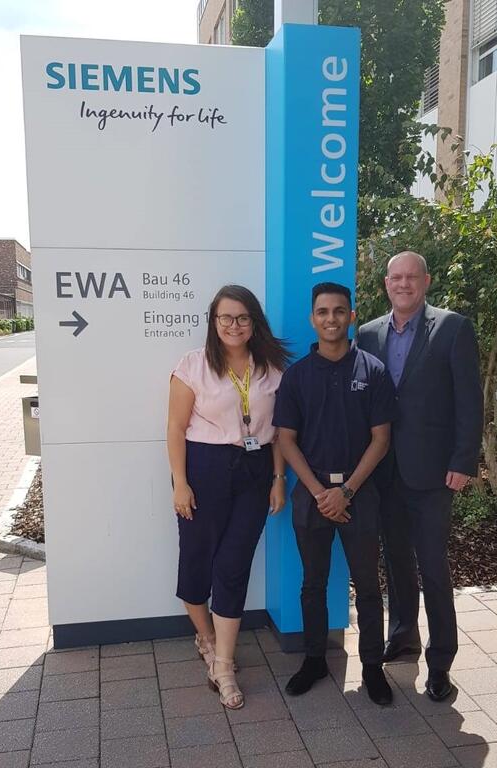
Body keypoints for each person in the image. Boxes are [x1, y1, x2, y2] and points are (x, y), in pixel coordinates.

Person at [356, 250, 483, 701]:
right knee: (396, 562)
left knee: (433, 567)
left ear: (425, 282)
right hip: (384, 473)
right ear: (386, 284)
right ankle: (404, 636)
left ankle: (440, 662)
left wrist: (463, 461)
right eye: (396, 277)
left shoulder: (452, 328)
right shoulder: (368, 334)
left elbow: (469, 401)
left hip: (433, 474)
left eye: (412, 277)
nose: (404, 284)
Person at [273, 282, 397, 705]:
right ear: (313, 318)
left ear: (351, 315)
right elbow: (286, 440)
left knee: (366, 586)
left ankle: (373, 669)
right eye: (323, 312)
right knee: (313, 584)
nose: (331, 319)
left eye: (339, 311)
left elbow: (381, 439)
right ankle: (313, 660)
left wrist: (345, 491)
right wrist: (321, 492)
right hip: (312, 494)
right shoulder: (297, 376)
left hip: (359, 493)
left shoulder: (373, 371)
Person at [167, 284, 289, 710]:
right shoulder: (192, 365)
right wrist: (180, 482)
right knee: (198, 561)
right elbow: (175, 429)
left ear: (253, 322)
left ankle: (223, 665)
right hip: (204, 470)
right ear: (213, 322)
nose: (234, 325)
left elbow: (279, 432)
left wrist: (278, 478)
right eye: (226, 318)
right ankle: (206, 635)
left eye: (242, 317)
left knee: (234, 565)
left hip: (255, 473)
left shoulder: (272, 368)